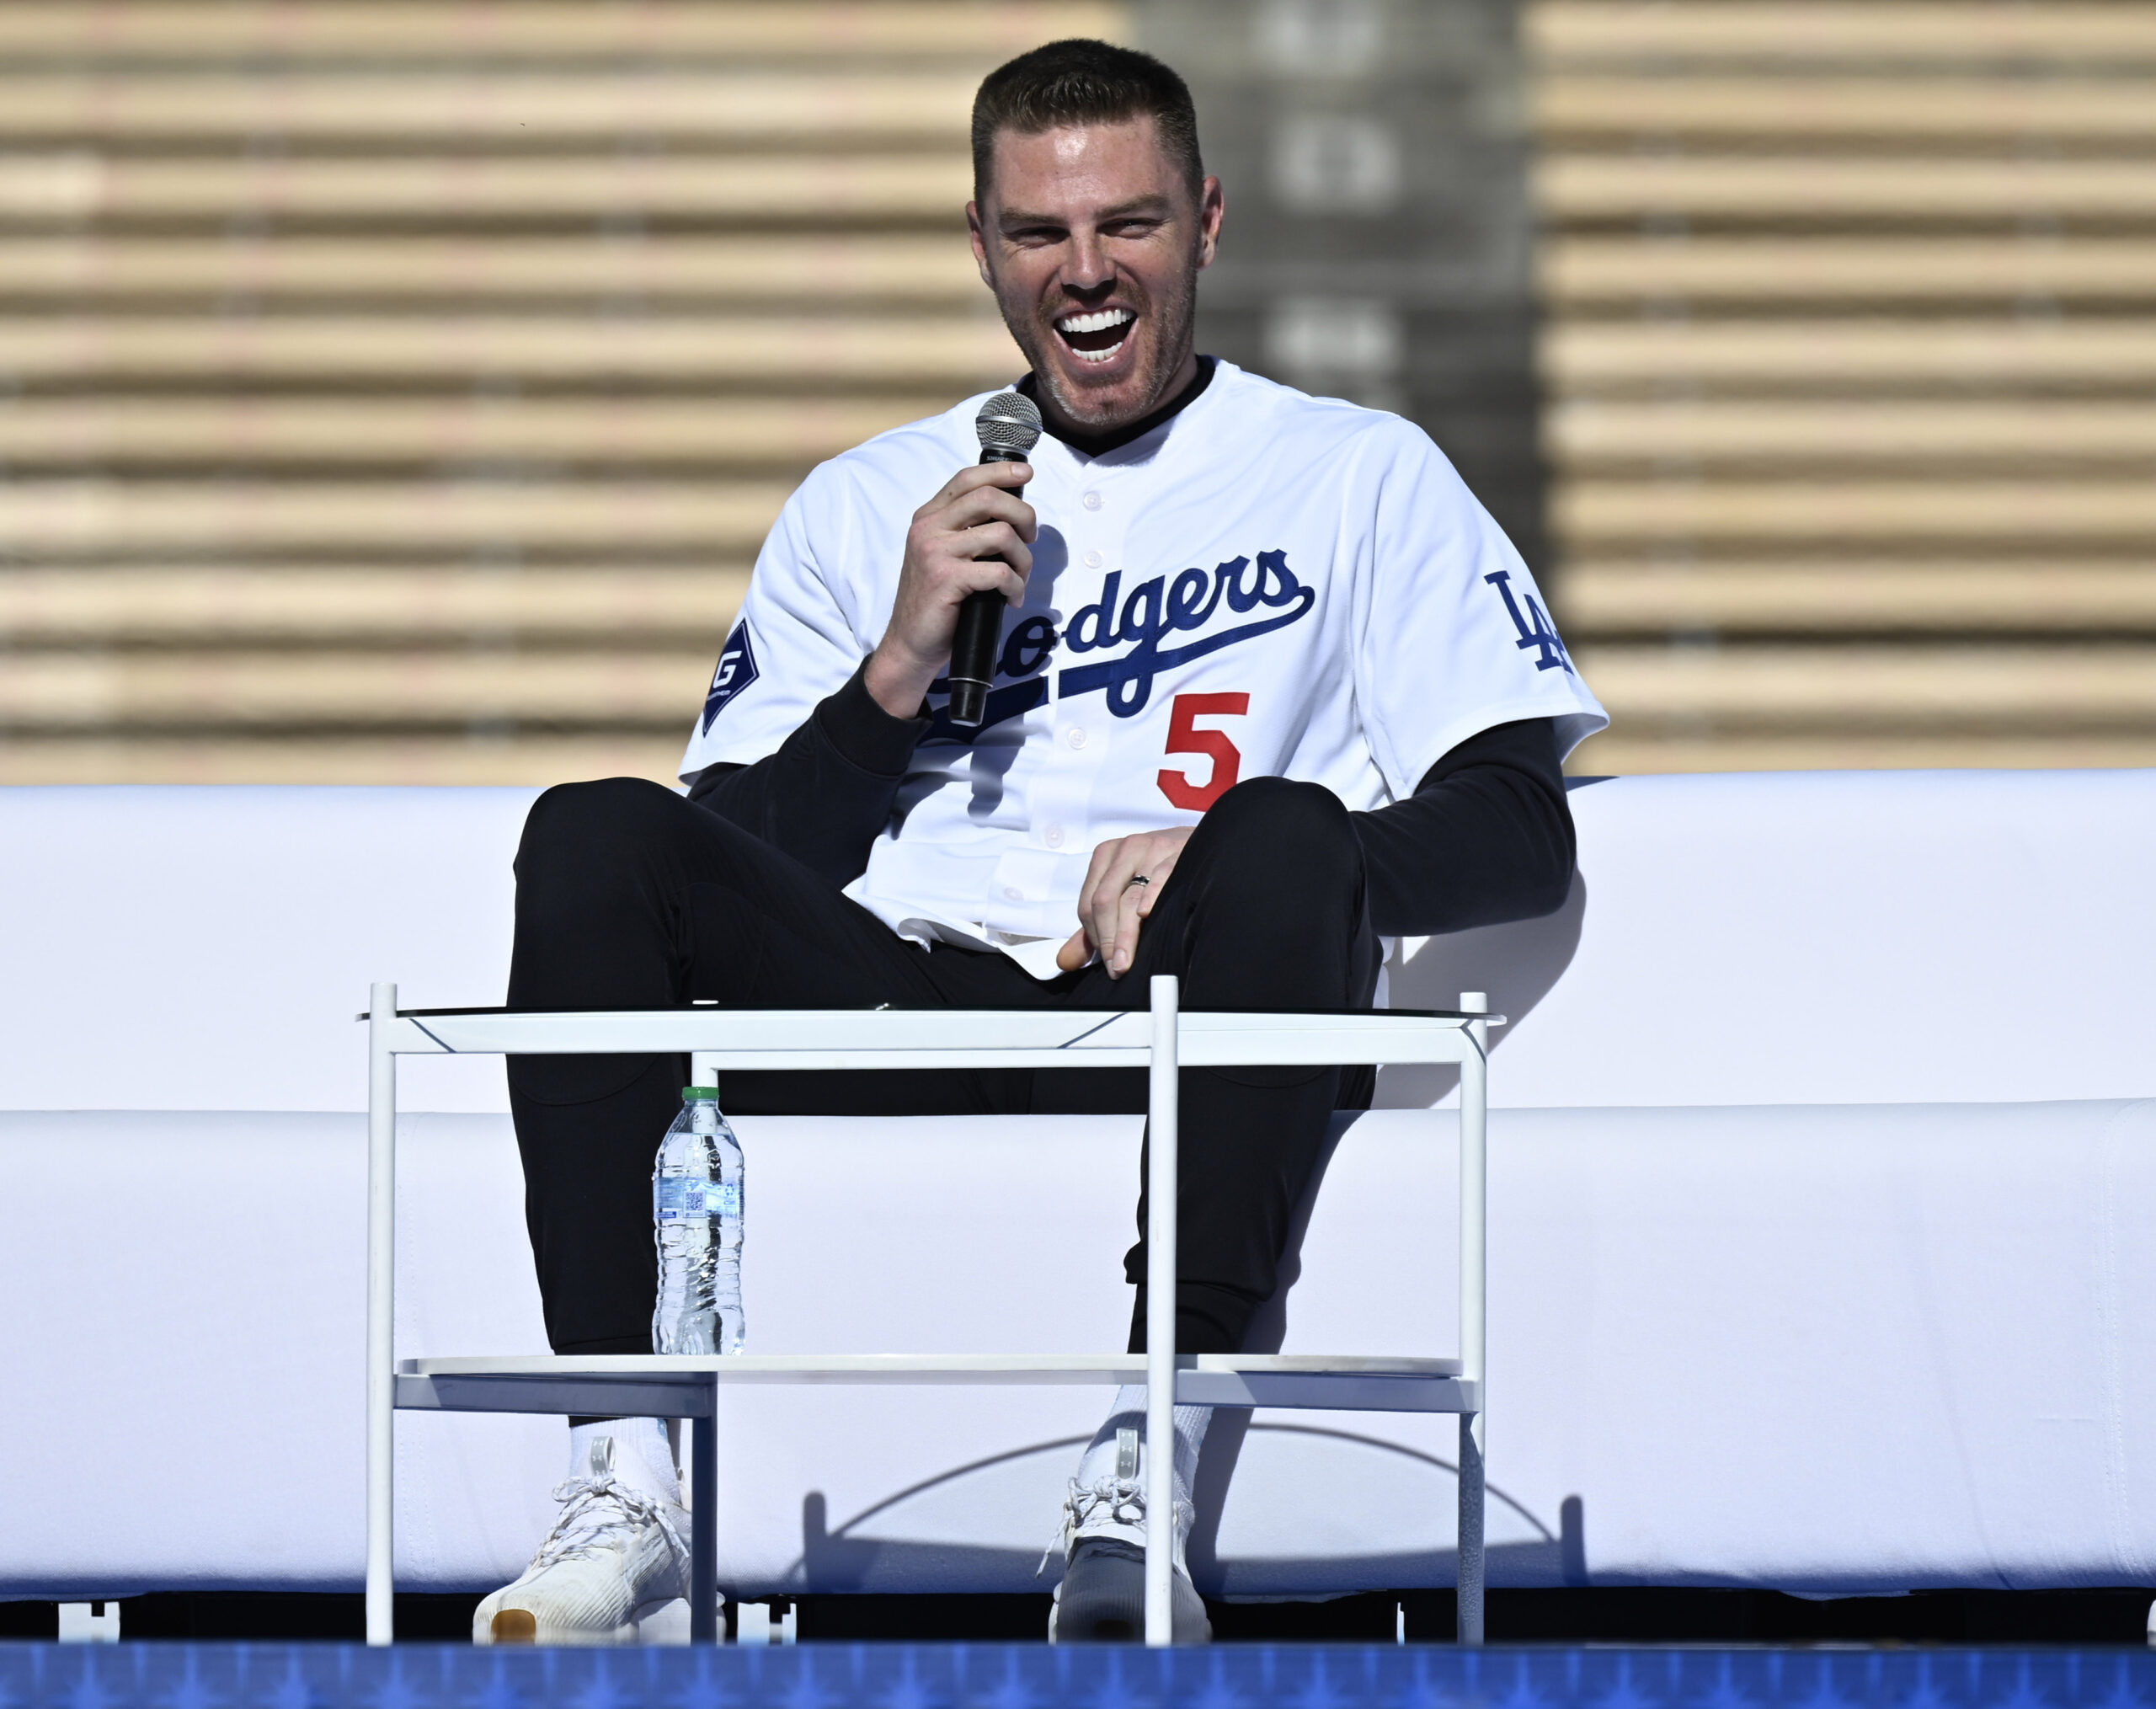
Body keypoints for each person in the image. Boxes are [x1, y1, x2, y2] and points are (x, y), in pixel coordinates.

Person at [476, 38, 1606, 1646]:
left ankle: (1146, 1466)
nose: (1086, 272)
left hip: (1186, 1003)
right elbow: (713, 856)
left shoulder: (1359, 474)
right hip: (896, 997)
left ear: (1207, 221)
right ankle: (626, 1482)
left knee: (1284, 825)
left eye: (1128, 225)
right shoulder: (868, 501)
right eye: (1040, 234)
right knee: (588, 833)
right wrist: (892, 676)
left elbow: (1516, 827)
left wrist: (1233, 854)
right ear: (983, 244)